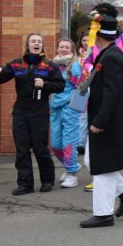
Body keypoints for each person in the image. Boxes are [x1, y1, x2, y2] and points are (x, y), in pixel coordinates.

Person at [79, 14, 123, 228]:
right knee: (92, 161)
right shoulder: (108, 54)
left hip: (108, 121)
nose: (89, 35)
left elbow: (112, 93)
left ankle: (103, 214)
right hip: (104, 118)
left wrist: (100, 121)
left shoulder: (112, 56)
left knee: (102, 167)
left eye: (92, 31)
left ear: (99, 33)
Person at [0, 33, 65, 195]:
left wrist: (44, 84)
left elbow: (60, 85)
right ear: (28, 44)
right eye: (33, 41)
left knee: (40, 148)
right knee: (22, 149)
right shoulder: (17, 64)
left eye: (39, 41)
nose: (36, 43)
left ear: (42, 45)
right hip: (21, 110)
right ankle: (25, 184)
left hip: (40, 110)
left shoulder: (50, 65)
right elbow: (0, 77)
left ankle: (47, 181)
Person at [83, 3, 123, 190]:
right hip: (99, 91)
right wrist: (92, 72)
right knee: (102, 149)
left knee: (118, 139)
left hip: (119, 95)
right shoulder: (95, 41)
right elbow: (87, 61)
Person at [49, 38, 83, 188]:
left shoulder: (74, 66)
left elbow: (81, 88)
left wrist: (74, 107)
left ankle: (72, 174)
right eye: (61, 47)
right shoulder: (54, 66)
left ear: (72, 50)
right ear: (57, 49)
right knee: (55, 144)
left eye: (66, 47)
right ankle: (71, 166)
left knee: (68, 143)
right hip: (55, 107)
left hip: (69, 109)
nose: (63, 49)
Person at [77, 31, 90, 156]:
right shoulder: (77, 56)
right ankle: (80, 143)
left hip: (94, 86)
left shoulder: (95, 54)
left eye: (88, 40)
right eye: (83, 40)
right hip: (80, 88)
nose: (85, 43)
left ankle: (89, 143)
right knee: (81, 115)